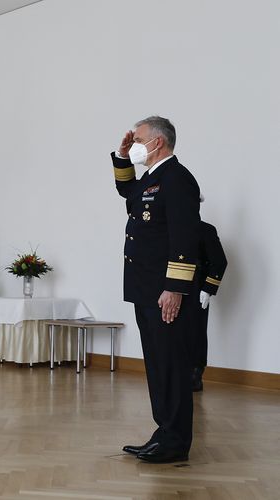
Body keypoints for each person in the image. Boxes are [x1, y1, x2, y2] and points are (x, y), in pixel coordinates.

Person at [111, 116, 201, 464]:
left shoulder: (177, 179)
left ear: (158, 142)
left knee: (171, 366)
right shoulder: (152, 178)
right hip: (146, 290)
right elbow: (127, 191)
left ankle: (176, 441)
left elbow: (184, 238)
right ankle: (164, 433)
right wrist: (122, 158)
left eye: (139, 138)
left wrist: (175, 288)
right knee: (158, 365)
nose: (134, 142)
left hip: (164, 293)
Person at [190, 220, 227, 392]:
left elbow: (219, 261)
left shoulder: (205, 229)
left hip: (197, 287)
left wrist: (208, 288)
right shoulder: (169, 227)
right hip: (171, 287)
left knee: (196, 331)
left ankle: (195, 374)